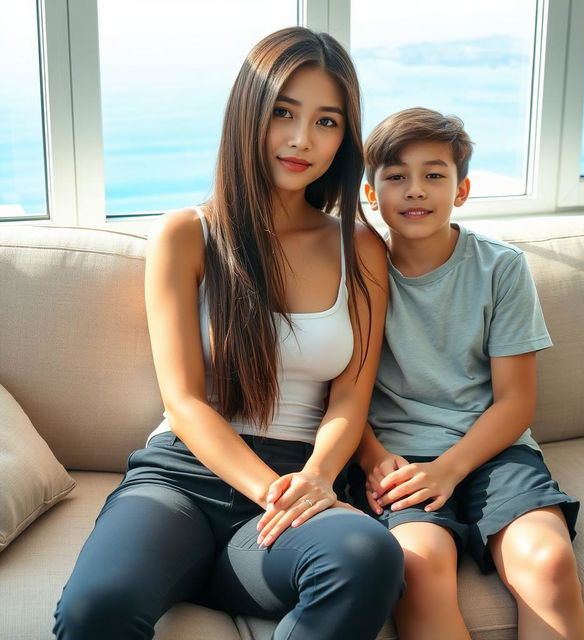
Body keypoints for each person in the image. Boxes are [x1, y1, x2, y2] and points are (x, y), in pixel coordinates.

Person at [53, 27, 404, 640]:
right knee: (95, 610)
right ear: (248, 114)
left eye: (327, 122)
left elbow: (350, 396)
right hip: (182, 479)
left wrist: (318, 477)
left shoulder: (361, 248)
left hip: (300, 477)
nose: (302, 140)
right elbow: (184, 402)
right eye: (283, 113)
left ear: (345, 137)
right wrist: (274, 493)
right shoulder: (186, 235)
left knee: (367, 556)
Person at [349, 107, 584, 639]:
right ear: (371, 195)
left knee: (548, 560)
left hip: (493, 450)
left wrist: (452, 468)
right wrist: (370, 457)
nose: (415, 190)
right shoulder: (354, 273)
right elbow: (337, 391)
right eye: (395, 176)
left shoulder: (500, 268)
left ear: (461, 191)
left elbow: (515, 403)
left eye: (434, 175)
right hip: (398, 461)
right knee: (417, 564)